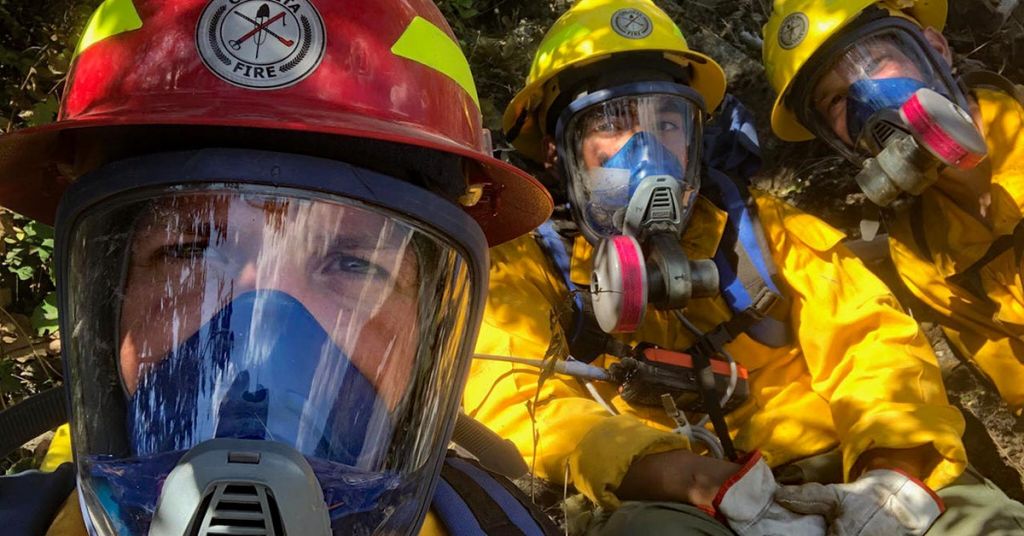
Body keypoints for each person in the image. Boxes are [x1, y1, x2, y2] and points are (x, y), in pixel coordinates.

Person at [0, 0, 559, 535]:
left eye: (352, 263)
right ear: (103, 318)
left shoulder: (492, 524)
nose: (260, 349)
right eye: (191, 253)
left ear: (427, 333)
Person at [464, 0, 1024, 534]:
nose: (648, 150)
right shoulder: (526, 270)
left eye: (667, 124)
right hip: (665, 497)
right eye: (613, 124)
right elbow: (514, 399)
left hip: (843, 468)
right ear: (557, 152)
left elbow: (872, 342)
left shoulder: (766, 231)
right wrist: (674, 474)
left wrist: (890, 471)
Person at [762, 0, 1024, 413]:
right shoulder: (918, 249)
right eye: (834, 101)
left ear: (936, 51)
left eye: (875, 63)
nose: (867, 101)